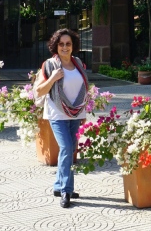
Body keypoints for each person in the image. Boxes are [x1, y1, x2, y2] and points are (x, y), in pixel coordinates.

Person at [33, 28, 89, 208]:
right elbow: (39, 91)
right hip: (57, 113)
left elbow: (83, 91)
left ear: (73, 46)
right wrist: (53, 78)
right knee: (65, 147)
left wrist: (83, 114)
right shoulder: (49, 66)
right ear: (56, 46)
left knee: (70, 149)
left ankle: (58, 186)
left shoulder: (78, 63)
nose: (65, 47)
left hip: (76, 113)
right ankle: (67, 190)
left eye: (68, 44)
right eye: (61, 44)